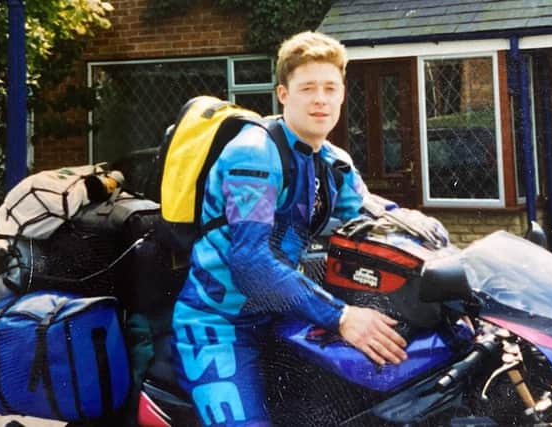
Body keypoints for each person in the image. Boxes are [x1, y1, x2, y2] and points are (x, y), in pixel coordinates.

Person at [172, 31, 410, 427]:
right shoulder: (254, 153)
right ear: (283, 94)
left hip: (282, 316)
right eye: (308, 88)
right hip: (219, 323)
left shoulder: (335, 162)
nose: (321, 98)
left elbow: (383, 224)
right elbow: (251, 261)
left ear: (342, 94)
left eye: (330, 88)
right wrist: (341, 317)